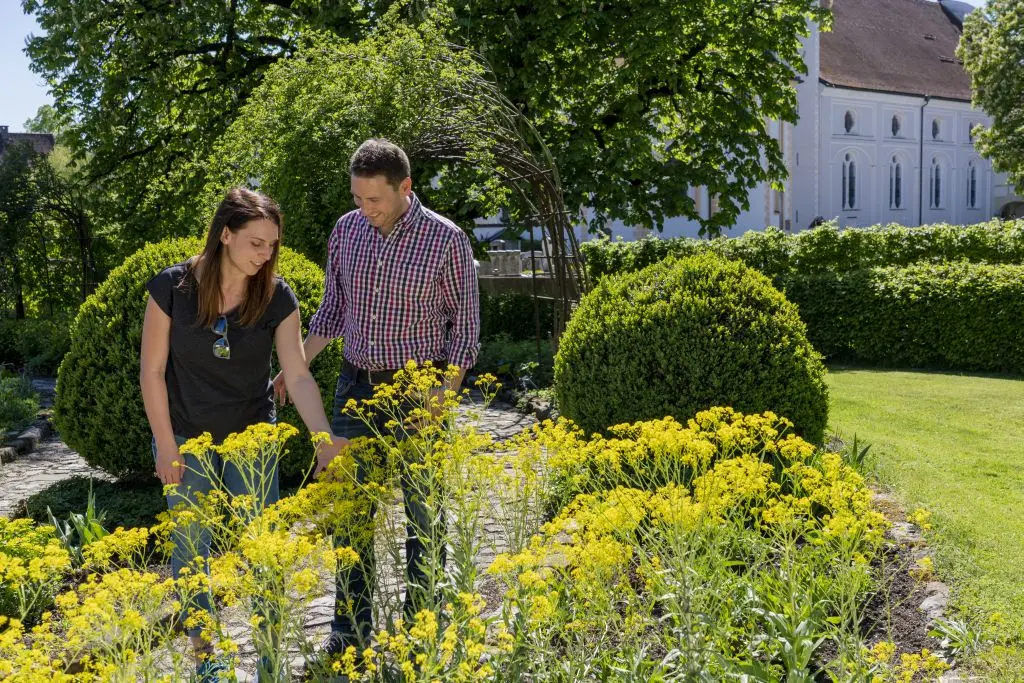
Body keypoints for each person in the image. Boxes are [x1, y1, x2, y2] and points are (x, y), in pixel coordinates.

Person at [273, 138, 480, 668]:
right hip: (355, 387)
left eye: (375, 200)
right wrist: (294, 365)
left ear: (405, 188)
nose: (366, 209)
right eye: (359, 198)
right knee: (350, 516)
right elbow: (332, 313)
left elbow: (467, 329)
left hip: (421, 388)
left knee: (423, 514)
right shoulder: (346, 231)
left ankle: (422, 629)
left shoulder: (446, 240)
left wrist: (442, 395)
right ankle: (350, 631)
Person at [139, 188, 345, 682]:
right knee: (192, 553)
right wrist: (166, 446)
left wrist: (322, 438)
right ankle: (209, 660)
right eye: (256, 243)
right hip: (186, 437)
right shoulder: (172, 288)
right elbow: (152, 371)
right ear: (225, 235)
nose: (265, 255)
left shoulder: (277, 295)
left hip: (251, 438)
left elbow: (296, 374)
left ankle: (271, 659)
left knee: (263, 550)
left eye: (272, 244)